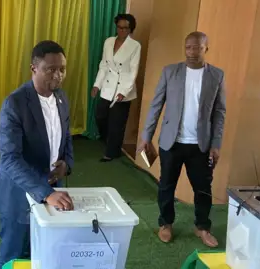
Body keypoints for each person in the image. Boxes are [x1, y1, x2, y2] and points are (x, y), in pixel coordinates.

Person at [138, 31, 226, 248]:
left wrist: (216, 144)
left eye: (197, 47)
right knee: (166, 186)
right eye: (188, 47)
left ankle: (202, 227)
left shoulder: (216, 75)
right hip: (172, 142)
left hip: (201, 145)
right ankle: (166, 223)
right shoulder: (170, 72)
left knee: (203, 188)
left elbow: (219, 112)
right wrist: (146, 136)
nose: (192, 52)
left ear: (206, 48)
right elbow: (156, 104)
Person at [0, 40, 74, 269]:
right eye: (51, 69)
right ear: (33, 69)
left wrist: (66, 163)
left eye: (62, 69)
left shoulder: (62, 98)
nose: (58, 75)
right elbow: (9, 158)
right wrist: (46, 193)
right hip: (20, 194)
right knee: (14, 255)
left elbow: (66, 136)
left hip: (52, 189)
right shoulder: (15, 103)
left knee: (44, 252)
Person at [91, 13, 141, 162]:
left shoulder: (135, 46)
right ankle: (110, 142)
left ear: (131, 29)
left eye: (126, 28)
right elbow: (104, 65)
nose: (122, 31)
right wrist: (96, 85)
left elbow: (133, 71)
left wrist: (123, 92)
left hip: (123, 88)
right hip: (107, 86)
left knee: (117, 123)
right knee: (100, 116)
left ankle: (112, 152)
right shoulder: (109, 42)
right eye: (119, 27)